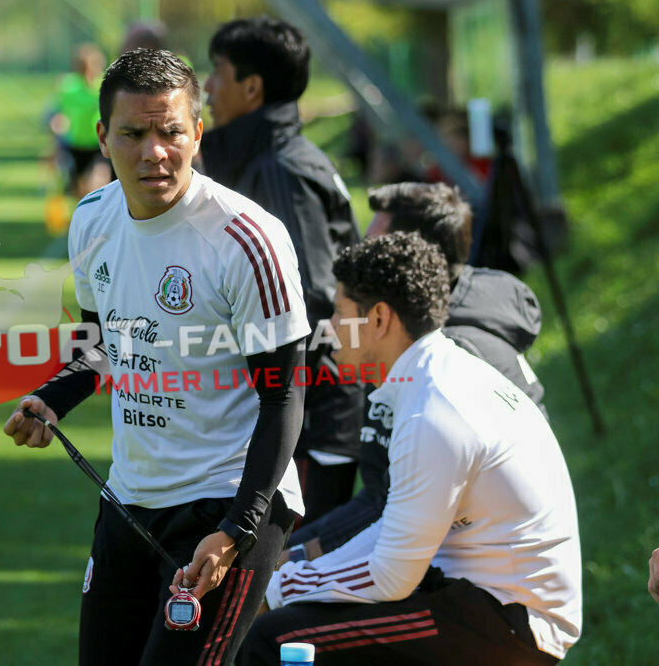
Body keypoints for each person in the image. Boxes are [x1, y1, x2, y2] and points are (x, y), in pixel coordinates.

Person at [3, 49, 311, 665]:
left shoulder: (247, 240)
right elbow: (98, 346)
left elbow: (284, 394)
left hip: (230, 502)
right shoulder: (91, 221)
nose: (155, 151)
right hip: (129, 498)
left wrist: (236, 531)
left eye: (171, 131)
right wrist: (53, 399)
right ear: (102, 137)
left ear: (197, 132)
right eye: (134, 133)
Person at [240, 232, 581, 664]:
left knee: (275, 638)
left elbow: (391, 575)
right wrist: (283, 578)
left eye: (341, 313)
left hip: (510, 620)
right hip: (480, 597)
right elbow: (394, 535)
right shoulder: (432, 376)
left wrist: (278, 587)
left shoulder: (434, 409)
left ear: (379, 319)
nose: (329, 329)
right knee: (290, 617)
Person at [281, 182, 550, 564]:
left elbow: (391, 513)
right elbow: (381, 496)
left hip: (485, 572)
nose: (362, 255)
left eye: (375, 244)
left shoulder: (441, 358)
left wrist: (293, 559)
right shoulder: (425, 337)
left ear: (413, 258)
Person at [200, 17, 364, 526]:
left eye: (217, 73)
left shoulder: (279, 171)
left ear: (252, 88)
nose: (206, 87)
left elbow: (308, 302)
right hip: (299, 417)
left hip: (311, 424)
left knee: (283, 584)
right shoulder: (272, 157)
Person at [49, 43, 112, 202]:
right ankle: (84, 218)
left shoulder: (103, 85)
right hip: (76, 143)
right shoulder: (68, 87)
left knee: (98, 182)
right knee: (79, 188)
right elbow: (60, 114)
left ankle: (100, 217)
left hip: (98, 142)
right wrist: (55, 139)